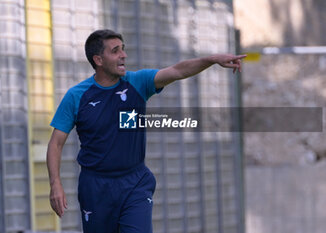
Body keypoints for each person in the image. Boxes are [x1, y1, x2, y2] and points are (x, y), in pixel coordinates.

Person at [46, 29, 246, 233]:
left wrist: (212, 59)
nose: (123, 55)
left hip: (135, 182)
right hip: (95, 187)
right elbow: (56, 143)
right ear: (98, 59)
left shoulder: (137, 83)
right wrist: (55, 184)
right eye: (115, 51)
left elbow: (178, 71)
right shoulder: (76, 96)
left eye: (123, 49)